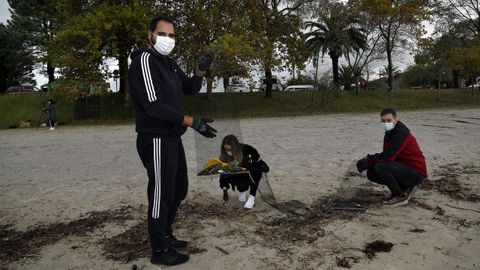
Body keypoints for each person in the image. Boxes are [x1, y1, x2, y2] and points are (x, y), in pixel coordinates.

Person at [128, 15, 216, 266]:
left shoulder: (169, 63)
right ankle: (158, 250)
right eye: (163, 34)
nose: (168, 39)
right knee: (161, 194)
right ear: (150, 35)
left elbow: (190, 88)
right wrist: (193, 122)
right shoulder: (144, 61)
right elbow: (153, 106)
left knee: (178, 189)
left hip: (171, 137)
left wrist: (200, 70)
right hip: (155, 138)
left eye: (172, 35)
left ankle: (166, 234)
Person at [356, 108, 427, 206]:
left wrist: (368, 160)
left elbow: (388, 156)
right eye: (383, 121)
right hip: (404, 167)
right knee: (371, 172)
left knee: (381, 167)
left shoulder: (401, 133)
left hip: (416, 172)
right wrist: (369, 163)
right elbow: (388, 155)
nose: (386, 123)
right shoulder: (390, 133)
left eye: (389, 120)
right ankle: (403, 188)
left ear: (396, 120)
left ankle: (400, 196)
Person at [218, 135, 269, 209]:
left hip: (252, 172)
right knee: (241, 186)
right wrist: (224, 189)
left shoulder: (248, 150)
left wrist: (263, 166)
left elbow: (258, 162)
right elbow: (223, 174)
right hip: (239, 175)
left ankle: (251, 198)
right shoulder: (225, 156)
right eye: (226, 150)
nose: (228, 152)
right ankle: (242, 191)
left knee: (254, 172)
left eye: (230, 150)